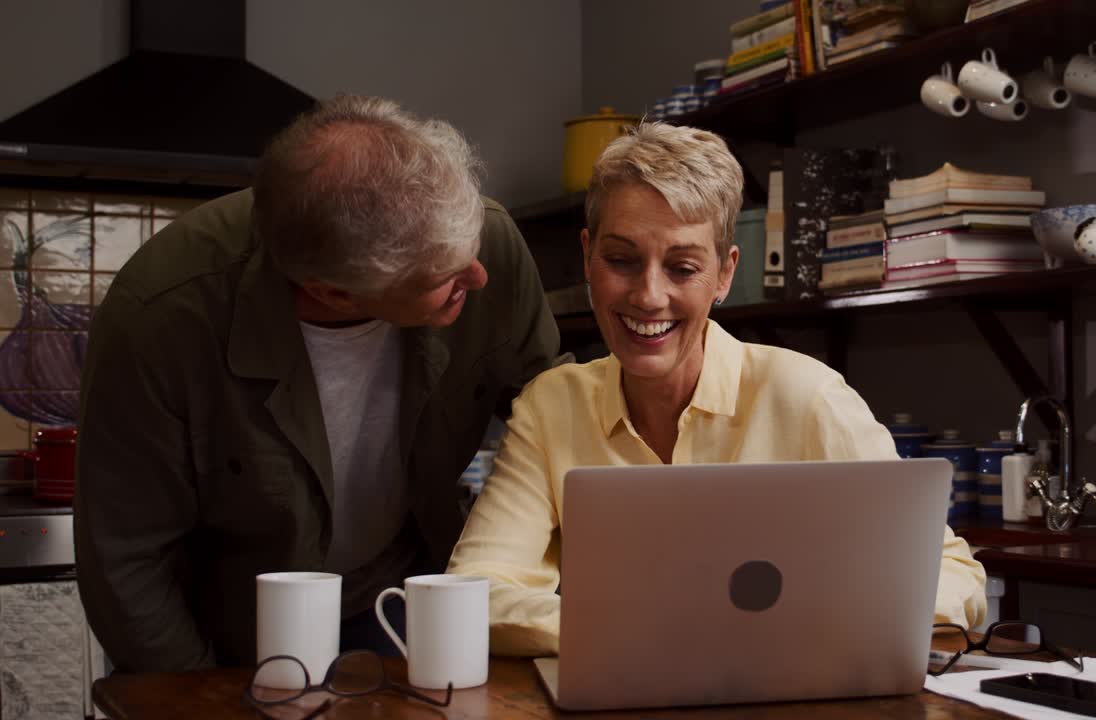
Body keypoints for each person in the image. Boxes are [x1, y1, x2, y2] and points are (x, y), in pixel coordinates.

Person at [447, 123, 986, 657]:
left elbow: (951, 579)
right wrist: (652, 626)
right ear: (588, 256)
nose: (649, 295)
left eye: (682, 267)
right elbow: (475, 594)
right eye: (621, 260)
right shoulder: (550, 406)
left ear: (725, 274)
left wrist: (807, 622)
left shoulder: (806, 397)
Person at [74, 95, 560, 672]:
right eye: (446, 280)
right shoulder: (160, 317)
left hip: (397, 600)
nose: (477, 278)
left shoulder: (488, 246)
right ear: (333, 293)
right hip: (226, 632)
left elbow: (555, 429)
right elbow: (126, 561)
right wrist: (194, 699)